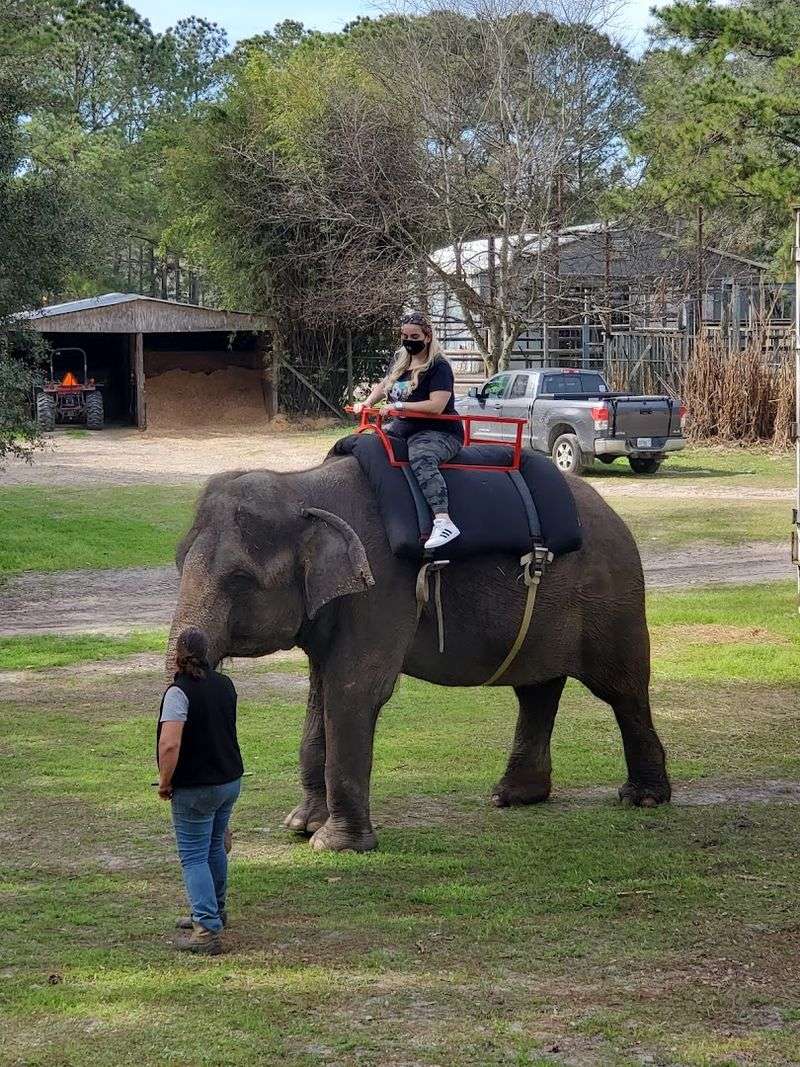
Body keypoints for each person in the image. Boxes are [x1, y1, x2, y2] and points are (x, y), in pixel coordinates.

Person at [157, 627, 244, 956]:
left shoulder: (178, 693)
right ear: (208, 653)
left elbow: (170, 744)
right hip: (229, 781)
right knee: (214, 849)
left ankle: (206, 929)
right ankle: (214, 911)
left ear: (177, 654)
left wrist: (166, 782)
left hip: (196, 788)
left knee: (194, 855)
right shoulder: (225, 685)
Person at [354, 310, 464, 550]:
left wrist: (400, 405)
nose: (408, 341)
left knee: (421, 457)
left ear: (427, 336)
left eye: (414, 336)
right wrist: (368, 403)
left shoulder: (439, 366)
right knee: (368, 446)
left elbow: (437, 406)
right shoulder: (400, 360)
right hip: (403, 428)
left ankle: (443, 520)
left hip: (439, 431)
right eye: (404, 335)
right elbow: (385, 385)